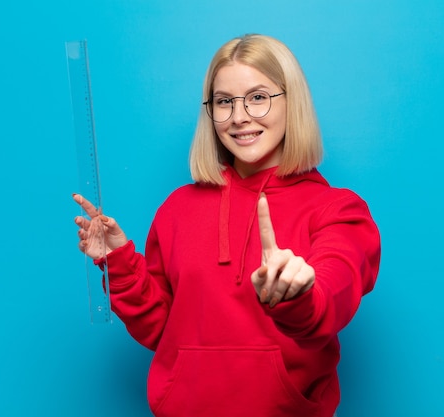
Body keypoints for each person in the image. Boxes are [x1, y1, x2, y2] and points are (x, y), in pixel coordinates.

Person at [73, 34, 381, 417]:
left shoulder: (339, 210)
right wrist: (118, 262)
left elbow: (328, 302)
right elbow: (162, 331)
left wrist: (296, 297)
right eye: (224, 102)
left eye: (257, 97)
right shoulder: (177, 209)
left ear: (292, 101)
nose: (239, 117)